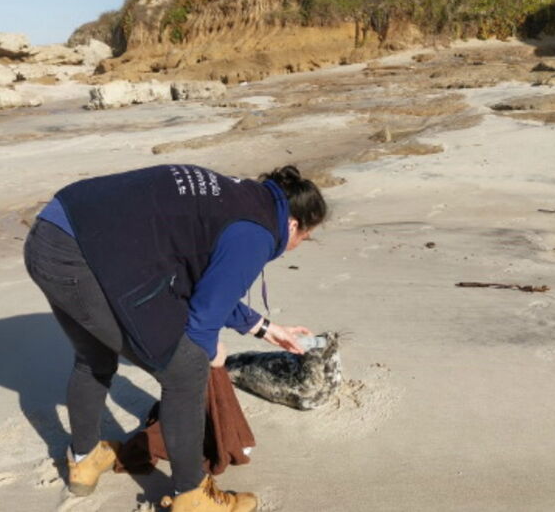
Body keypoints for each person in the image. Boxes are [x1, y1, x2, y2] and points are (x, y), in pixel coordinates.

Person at [23, 163, 327, 512]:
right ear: (293, 224)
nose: (296, 246)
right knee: (187, 369)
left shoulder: (242, 198)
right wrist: (208, 350)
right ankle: (192, 494)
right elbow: (202, 321)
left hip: (53, 231)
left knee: (95, 356)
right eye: (304, 238)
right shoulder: (256, 234)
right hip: (78, 256)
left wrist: (264, 327)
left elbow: (203, 282)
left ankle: (85, 460)